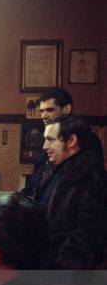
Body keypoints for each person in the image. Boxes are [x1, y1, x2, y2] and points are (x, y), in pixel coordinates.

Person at [38, 115, 106, 269]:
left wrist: (57, 271)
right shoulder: (57, 169)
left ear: (71, 141)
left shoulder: (92, 178)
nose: (44, 146)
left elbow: (87, 235)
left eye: (50, 140)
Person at [23, 88, 103, 196]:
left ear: (66, 109)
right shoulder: (48, 136)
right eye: (42, 111)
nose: (44, 116)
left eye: (50, 110)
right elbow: (37, 178)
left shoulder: (87, 138)